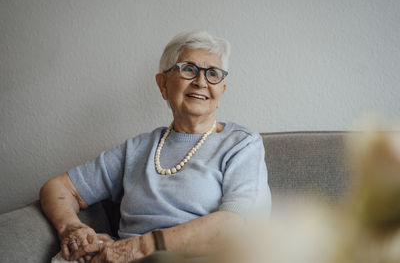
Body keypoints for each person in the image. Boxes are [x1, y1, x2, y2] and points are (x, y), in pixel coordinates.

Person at [40, 30, 271, 263]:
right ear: (163, 84)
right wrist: (71, 227)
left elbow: (238, 225)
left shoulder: (241, 145)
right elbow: (58, 188)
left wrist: (141, 246)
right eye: (189, 69)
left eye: (213, 74)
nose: (201, 81)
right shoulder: (137, 149)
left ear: (221, 91)